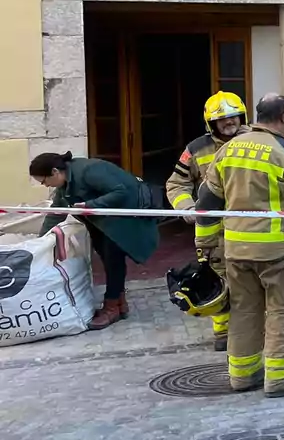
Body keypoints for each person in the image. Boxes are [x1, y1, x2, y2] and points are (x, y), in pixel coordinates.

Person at [194, 94, 284, 397]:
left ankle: (242, 376)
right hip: (280, 251)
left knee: (244, 312)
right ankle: (280, 380)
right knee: (282, 312)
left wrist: (205, 246)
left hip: (236, 250)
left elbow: (206, 202)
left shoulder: (228, 149)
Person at [33, 152, 160, 330]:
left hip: (124, 216)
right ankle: (120, 303)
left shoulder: (89, 171)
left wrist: (90, 205)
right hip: (102, 221)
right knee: (108, 259)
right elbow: (56, 213)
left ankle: (111, 307)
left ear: (55, 172)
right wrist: (39, 243)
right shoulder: (64, 185)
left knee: (113, 259)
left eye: (44, 180)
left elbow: (120, 191)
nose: (44, 185)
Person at [165, 91, 248, 351]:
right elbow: (176, 183)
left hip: (249, 228)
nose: (228, 122)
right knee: (217, 280)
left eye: (233, 116)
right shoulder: (196, 149)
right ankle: (223, 334)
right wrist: (186, 206)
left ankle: (254, 330)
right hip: (213, 232)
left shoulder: (259, 142)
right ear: (211, 123)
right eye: (221, 119)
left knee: (252, 281)